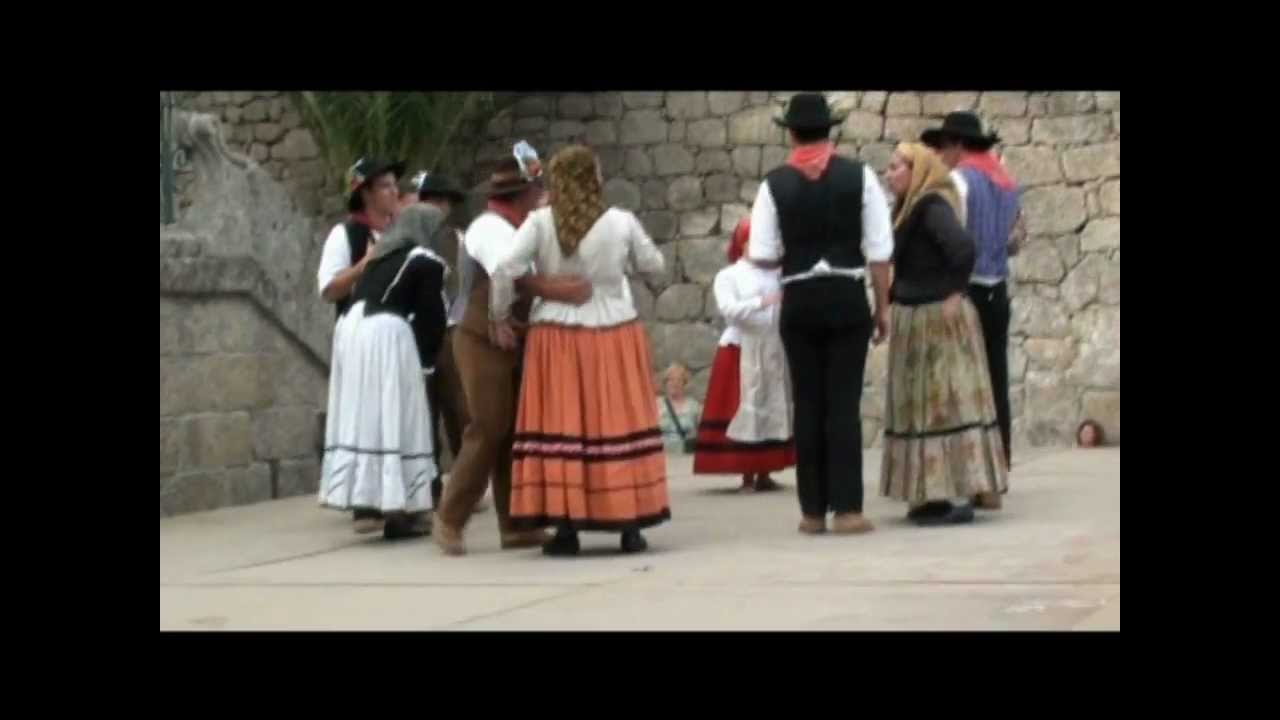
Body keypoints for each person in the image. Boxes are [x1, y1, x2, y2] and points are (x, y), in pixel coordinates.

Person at [489, 144, 670, 556]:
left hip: (556, 333)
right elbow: (655, 265)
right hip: (612, 329)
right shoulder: (620, 222)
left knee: (565, 425)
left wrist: (500, 315)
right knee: (615, 423)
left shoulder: (538, 223)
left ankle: (567, 527)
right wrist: (616, 271)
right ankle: (629, 525)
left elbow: (505, 270)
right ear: (594, 179)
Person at [433, 143, 596, 556]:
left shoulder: (527, 226)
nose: (542, 195)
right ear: (520, 193)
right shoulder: (490, 227)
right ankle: (450, 517)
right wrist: (559, 291)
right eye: (536, 189)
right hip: (479, 335)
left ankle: (516, 523)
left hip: (515, 334)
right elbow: (511, 274)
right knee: (487, 425)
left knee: (514, 430)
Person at [747, 93, 894, 536]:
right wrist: (882, 308)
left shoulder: (773, 185)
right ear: (831, 130)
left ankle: (812, 510)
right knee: (843, 404)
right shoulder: (860, 177)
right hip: (847, 294)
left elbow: (761, 254)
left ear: (790, 133)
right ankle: (847, 508)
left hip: (799, 298)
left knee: (808, 404)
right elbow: (880, 250)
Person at [878, 142, 1009, 526]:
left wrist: (954, 290)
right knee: (921, 407)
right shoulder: (905, 209)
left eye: (896, 166)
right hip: (915, 316)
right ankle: (927, 493)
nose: (889, 174)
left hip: (936, 318)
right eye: (888, 168)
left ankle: (955, 492)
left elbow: (962, 248)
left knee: (943, 403)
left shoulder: (930, 206)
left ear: (917, 169)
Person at [317, 204, 449, 539]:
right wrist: (428, 363)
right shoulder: (425, 260)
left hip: (352, 330)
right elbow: (432, 318)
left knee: (366, 417)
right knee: (398, 415)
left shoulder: (380, 256)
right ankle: (402, 508)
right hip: (387, 332)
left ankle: (367, 504)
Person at [923, 112, 1024, 499]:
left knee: (965, 386)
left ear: (957, 145)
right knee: (995, 380)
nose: (940, 155)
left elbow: (957, 241)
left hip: (967, 292)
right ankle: (999, 470)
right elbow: (1016, 239)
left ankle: (976, 475)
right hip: (998, 289)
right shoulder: (1007, 181)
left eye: (943, 147)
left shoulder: (961, 181)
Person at [316, 156, 405, 534]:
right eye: (386, 186)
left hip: (398, 339)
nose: (395, 192)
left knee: (398, 416)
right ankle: (365, 503)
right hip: (359, 339)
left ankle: (402, 497)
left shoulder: (401, 231)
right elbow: (329, 288)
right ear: (366, 193)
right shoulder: (346, 235)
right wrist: (367, 263)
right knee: (363, 416)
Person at [693, 218, 795, 492]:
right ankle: (746, 471)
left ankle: (765, 470)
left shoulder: (779, 274)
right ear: (742, 244)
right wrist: (761, 303)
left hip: (772, 347)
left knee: (769, 406)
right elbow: (730, 310)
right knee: (743, 406)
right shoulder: (729, 276)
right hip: (740, 349)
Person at [409, 171, 487, 512]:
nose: (440, 208)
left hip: (451, 328)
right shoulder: (413, 239)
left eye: (443, 202)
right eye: (434, 200)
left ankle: (463, 482)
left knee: (458, 410)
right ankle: (435, 485)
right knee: (429, 412)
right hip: (423, 330)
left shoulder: (456, 238)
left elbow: (463, 286)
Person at [657, 363, 702, 454]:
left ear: (684, 383)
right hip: (662, 455)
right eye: (671, 380)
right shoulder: (656, 404)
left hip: (686, 456)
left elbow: (703, 435)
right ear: (665, 383)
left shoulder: (694, 406)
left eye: (678, 380)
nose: (674, 383)